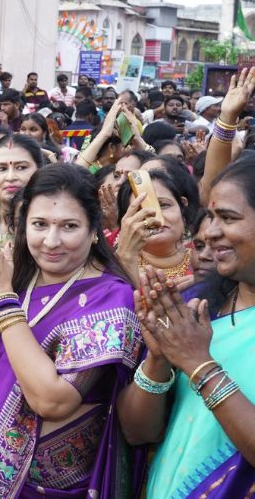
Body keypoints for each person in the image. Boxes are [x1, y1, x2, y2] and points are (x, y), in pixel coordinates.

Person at [0, 163, 142, 498]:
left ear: (94, 229)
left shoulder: (111, 297)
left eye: (69, 226)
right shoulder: (16, 277)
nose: (51, 241)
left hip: (53, 487)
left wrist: (3, 300)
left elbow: (51, 401)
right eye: (39, 224)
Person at [117, 158, 255, 497]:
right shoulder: (198, 305)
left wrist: (198, 364)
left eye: (228, 217)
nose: (208, 232)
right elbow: (138, 433)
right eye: (210, 216)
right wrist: (159, 360)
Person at [115, 168, 193, 286]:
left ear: (182, 208)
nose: (154, 217)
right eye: (140, 211)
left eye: (163, 205)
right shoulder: (112, 270)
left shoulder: (205, 260)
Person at [0, 134, 44, 245]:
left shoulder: (54, 219)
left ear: (40, 171)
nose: (10, 177)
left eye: (21, 167)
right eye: (1, 169)